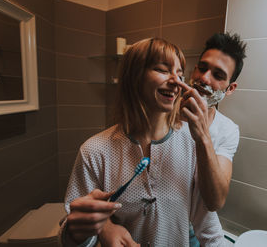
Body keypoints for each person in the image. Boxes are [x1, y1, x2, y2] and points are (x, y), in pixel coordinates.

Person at [59, 38, 225, 246]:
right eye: (163, 70)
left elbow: (209, 228)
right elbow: (75, 233)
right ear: (133, 76)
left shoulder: (192, 144)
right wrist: (87, 231)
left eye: (180, 74)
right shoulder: (95, 151)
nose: (177, 81)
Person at [178, 32, 246, 246]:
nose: (204, 78)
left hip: (196, 231)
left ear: (230, 88)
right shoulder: (163, 113)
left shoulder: (227, 130)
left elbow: (215, 200)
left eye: (218, 75)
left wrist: (202, 136)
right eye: (202, 67)